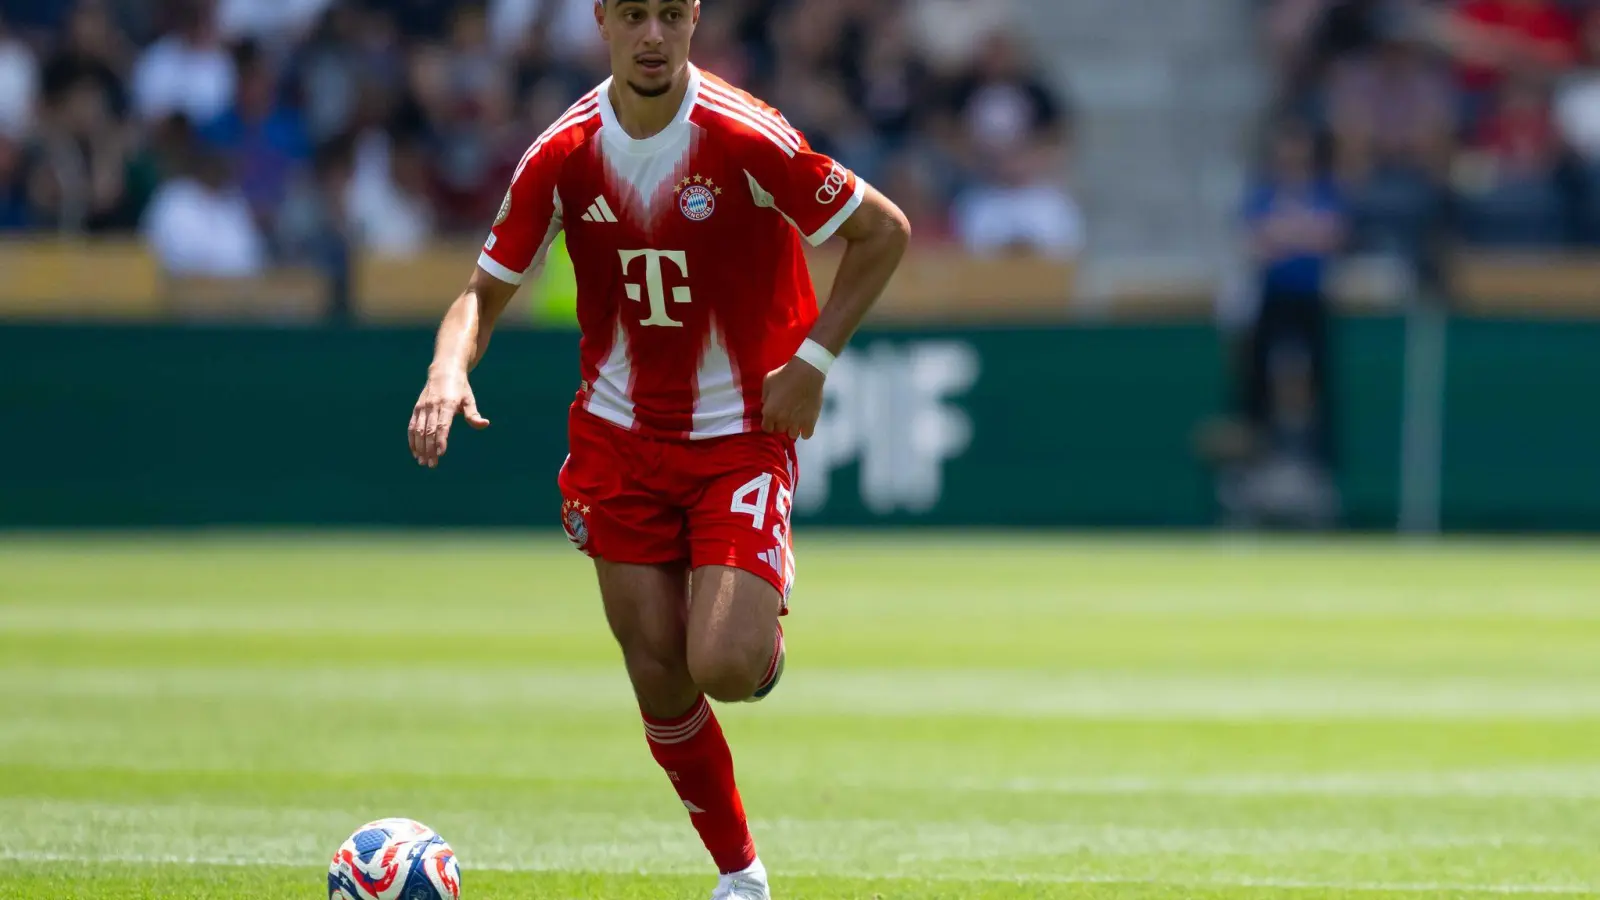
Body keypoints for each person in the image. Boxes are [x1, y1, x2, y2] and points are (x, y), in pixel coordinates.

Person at [405, 2, 912, 898]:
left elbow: (883, 231)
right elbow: (480, 295)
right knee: (657, 668)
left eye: (670, 15)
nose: (651, 35)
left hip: (738, 438)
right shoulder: (561, 155)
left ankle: (757, 633)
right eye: (633, 14)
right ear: (601, 21)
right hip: (619, 439)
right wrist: (448, 370)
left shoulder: (746, 137)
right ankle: (741, 877)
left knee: (721, 662)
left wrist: (815, 359)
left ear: (693, 21)